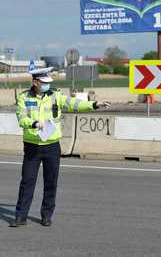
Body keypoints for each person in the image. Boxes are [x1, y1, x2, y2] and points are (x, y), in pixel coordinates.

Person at [10, 67, 110, 227]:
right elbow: (21, 118)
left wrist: (94, 104)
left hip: (52, 146)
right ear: (35, 82)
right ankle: (20, 216)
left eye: (48, 82)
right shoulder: (24, 97)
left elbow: (74, 103)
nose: (47, 85)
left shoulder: (55, 95)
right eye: (43, 82)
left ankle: (47, 215)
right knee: (27, 181)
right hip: (32, 147)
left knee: (51, 182)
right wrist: (34, 123)